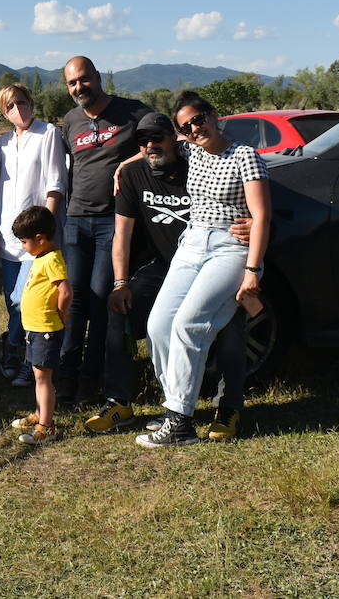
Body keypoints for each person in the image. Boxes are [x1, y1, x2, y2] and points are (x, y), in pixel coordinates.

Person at [86, 113, 249, 436]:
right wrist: (120, 282)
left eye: (157, 138)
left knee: (231, 323)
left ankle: (228, 406)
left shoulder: (199, 162)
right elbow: (122, 235)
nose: (149, 146)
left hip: (215, 262)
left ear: (174, 138)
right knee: (120, 306)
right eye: (142, 141)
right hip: (166, 267)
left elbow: (245, 187)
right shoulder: (133, 174)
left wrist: (258, 222)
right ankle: (124, 401)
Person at [139, 91, 269, 447]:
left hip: (230, 248)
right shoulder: (190, 150)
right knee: (158, 325)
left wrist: (253, 270)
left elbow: (261, 216)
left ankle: (179, 423)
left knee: (188, 324)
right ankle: (174, 407)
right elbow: (154, 148)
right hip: (192, 243)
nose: (195, 128)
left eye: (198, 119)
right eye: (187, 126)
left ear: (212, 115)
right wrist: (124, 166)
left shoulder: (245, 156)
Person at [58, 56, 152, 404]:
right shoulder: (70, 121)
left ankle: (89, 381)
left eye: (84, 79)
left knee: (99, 301)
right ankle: (66, 379)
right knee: (73, 301)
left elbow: (162, 137)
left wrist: (128, 162)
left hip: (112, 223)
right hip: (76, 221)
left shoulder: (131, 112)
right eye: (72, 83)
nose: (79, 87)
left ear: (98, 77)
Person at [0, 83, 67, 389]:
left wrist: (45, 230)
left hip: (35, 238)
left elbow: (55, 182)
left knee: (27, 302)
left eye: (22, 102)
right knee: (12, 302)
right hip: (8, 236)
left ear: (31, 102)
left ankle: (28, 359)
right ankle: (19, 351)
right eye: (10, 106)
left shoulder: (47, 134)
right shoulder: (3, 143)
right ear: (3, 112)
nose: (17, 110)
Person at [8, 206, 72, 446]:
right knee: (38, 376)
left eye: (24, 242)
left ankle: (47, 426)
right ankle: (39, 414)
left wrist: (62, 315)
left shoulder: (52, 259)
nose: (23, 246)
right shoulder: (41, 256)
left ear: (40, 239)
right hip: (35, 328)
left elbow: (65, 291)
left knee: (43, 378)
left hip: (46, 329)